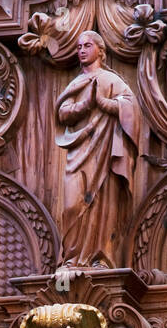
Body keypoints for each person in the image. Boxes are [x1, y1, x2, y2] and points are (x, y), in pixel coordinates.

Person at [55, 30, 139, 268]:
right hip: (78, 151)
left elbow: (131, 109)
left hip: (104, 153)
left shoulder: (111, 81)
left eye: (87, 45)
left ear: (100, 51)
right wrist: (85, 105)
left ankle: (100, 258)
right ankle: (71, 258)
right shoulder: (76, 83)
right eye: (79, 46)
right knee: (72, 205)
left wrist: (103, 103)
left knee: (103, 203)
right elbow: (63, 113)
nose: (81, 50)